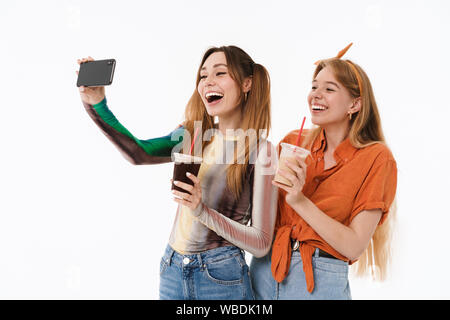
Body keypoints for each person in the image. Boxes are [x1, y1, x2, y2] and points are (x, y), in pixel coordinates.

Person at [76, 45, 278, 300]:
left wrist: (201, 210)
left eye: (219, 73)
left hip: (221, 278)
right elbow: (139, 153)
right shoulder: (193, 135)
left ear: (247, 83)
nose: (208, 82)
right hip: (172, 269)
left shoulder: (263, 152)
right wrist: (97, 105)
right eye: (203, 76)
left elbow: (260, 243)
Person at [250, 43, 397, 300]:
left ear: (355, 104)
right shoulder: (293, 142)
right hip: (264, 270)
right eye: (314, 86)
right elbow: (257, 212)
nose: (315, 95)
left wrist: (299, 200)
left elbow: (353, 246)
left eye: (329, 89)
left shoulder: (376, 158)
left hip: (318, 283)